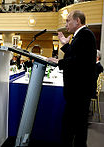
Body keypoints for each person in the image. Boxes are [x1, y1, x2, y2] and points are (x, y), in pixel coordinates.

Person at [47, 10, 97, 147]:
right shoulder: (81, 35)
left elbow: (79, 62)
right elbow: (75, 56)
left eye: (68, 20)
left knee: (73, 127)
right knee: (75, 127)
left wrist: (59, 62)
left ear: (78, 21)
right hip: (78, 91)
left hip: (79, 91)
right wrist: (65, 44)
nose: (66, 24)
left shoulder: (85, 35)